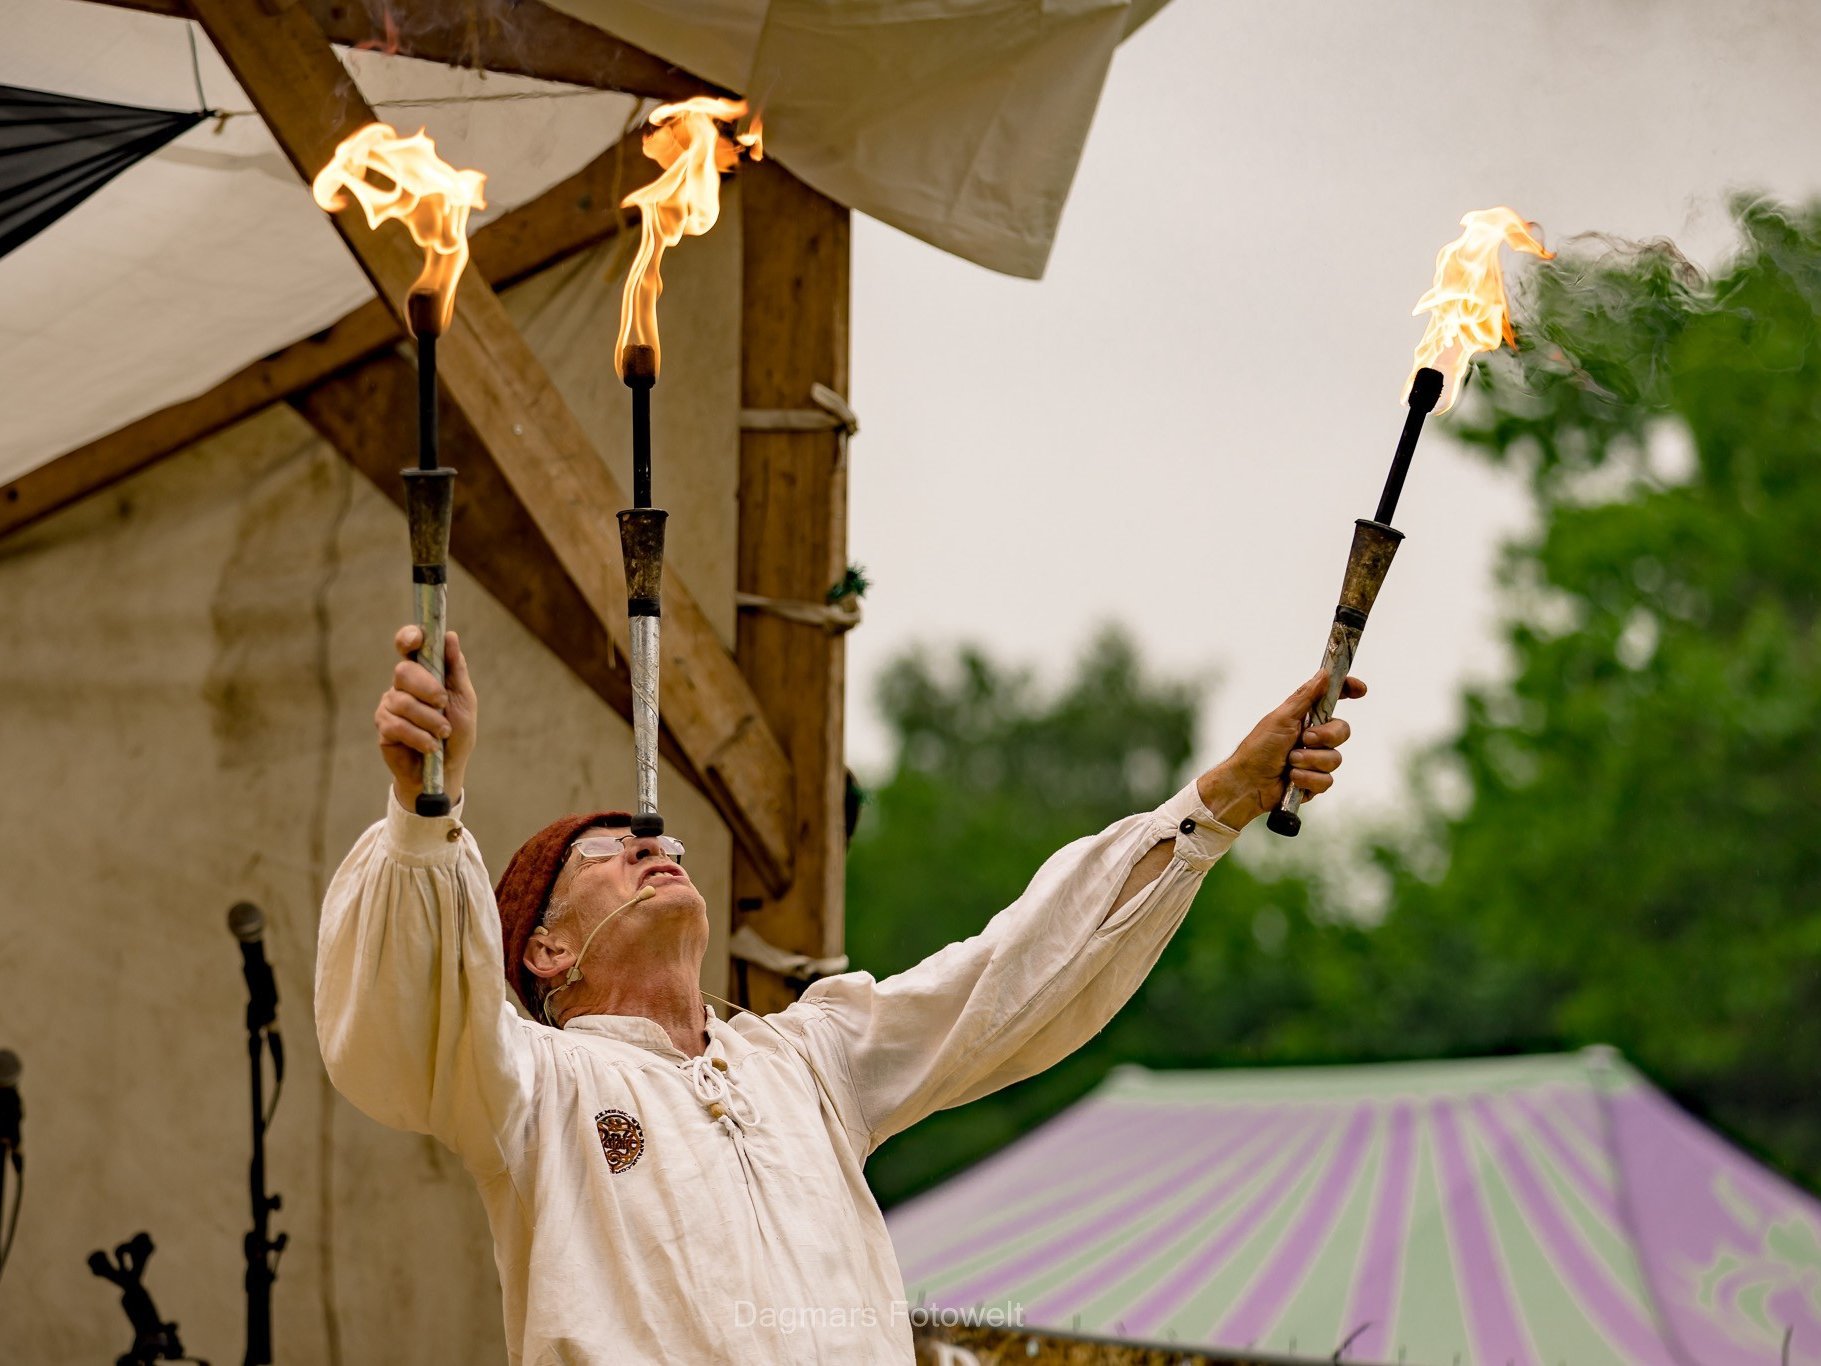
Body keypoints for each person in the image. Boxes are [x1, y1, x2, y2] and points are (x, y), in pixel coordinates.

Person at [318, 624, 1363, 1364]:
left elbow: (1012, 973)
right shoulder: (529, 1083)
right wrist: (426, 805)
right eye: (611, 850)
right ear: (543, 949)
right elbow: (417, 1007)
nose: (655, 846)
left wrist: (1217, 800)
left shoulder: (806, 1062)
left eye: (668, 842)